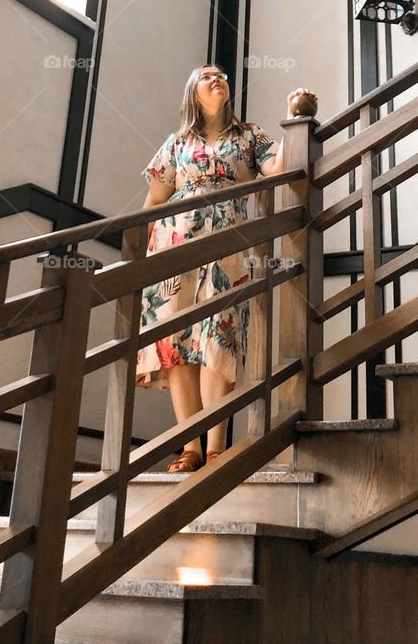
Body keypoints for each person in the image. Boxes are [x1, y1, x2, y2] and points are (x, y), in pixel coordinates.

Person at [134, 64, 316, 473]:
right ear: (192, 91)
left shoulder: (249, 136)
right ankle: (190, 448)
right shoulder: (176, 143)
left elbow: (282, 165)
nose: (218, 79)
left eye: (222, 76)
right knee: (176, 346)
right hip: (173, 249)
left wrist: (297, 115)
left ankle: (216, 446)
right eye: (206, 75)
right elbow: (153, 203)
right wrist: (143, 260)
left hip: (227, 248)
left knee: (220, 336)